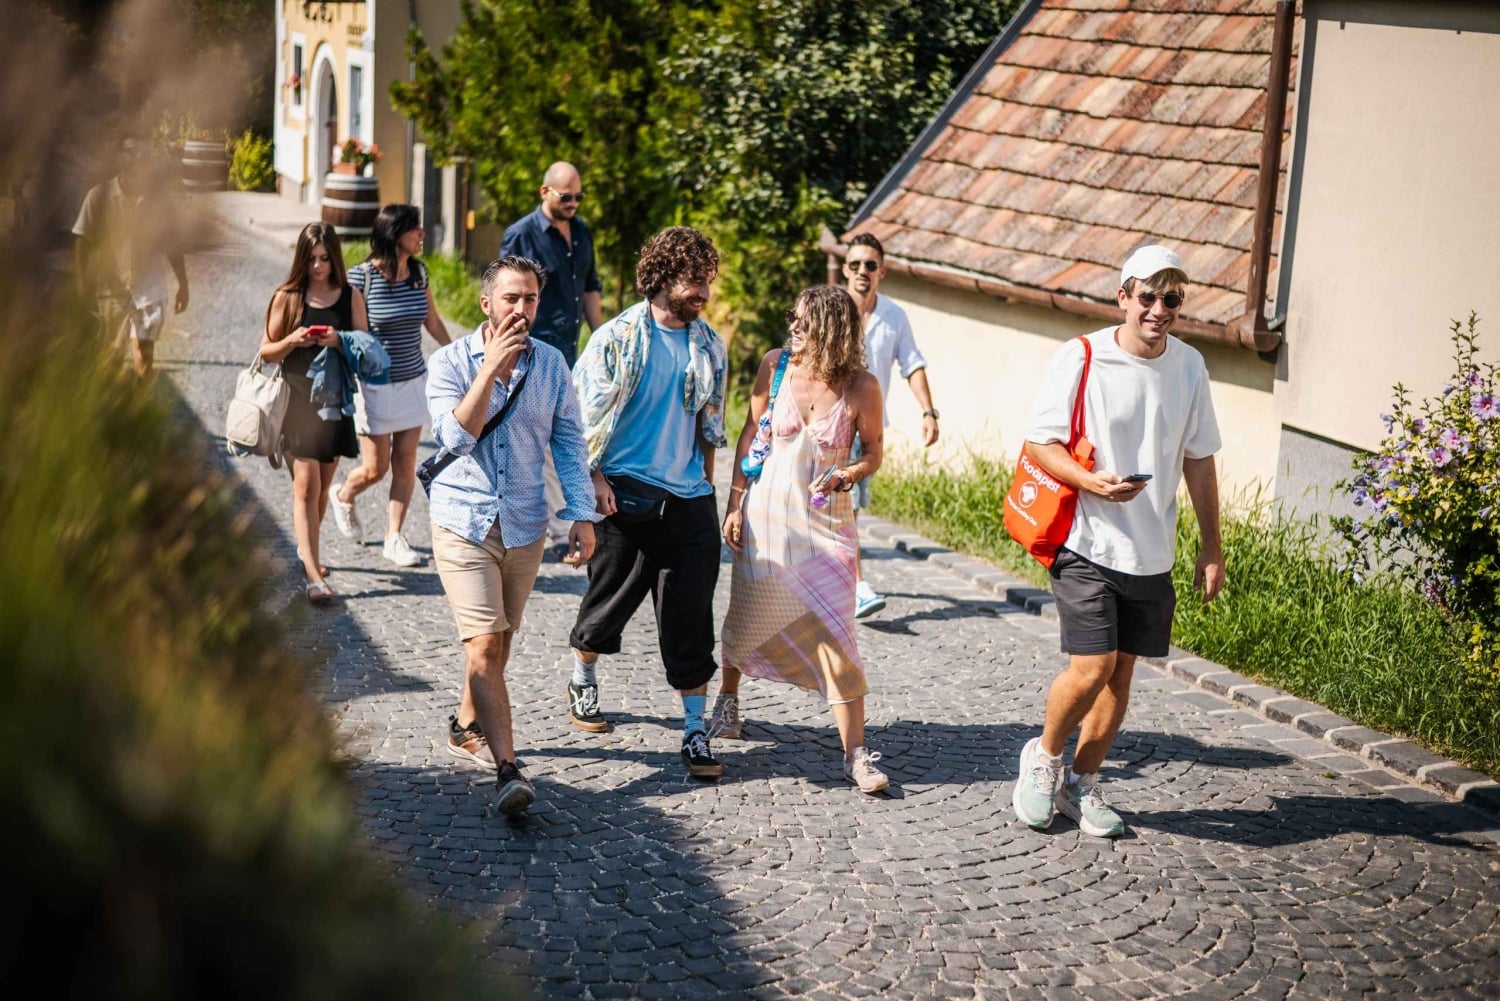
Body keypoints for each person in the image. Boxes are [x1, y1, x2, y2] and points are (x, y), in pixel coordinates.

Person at [1010, 244, 1224, 839]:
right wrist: (1091, 483)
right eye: (1147, 296)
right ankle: (1044, 759)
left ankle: (1082, 782)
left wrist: (1212, 547)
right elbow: (1040, 443)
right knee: (1093, 665)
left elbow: (1199, 460)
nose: (1159, 309)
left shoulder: (1190, 366)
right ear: (1123, 296)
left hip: (1151, 550)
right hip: (1085, 538)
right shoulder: (1081, 357)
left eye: (1171, 299)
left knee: (1121, 677)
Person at [425, 256, 599, 817]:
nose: (521, 310)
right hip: (463, 520)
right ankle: (508, 770)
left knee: (497, 644)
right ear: (486, 305)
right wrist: (489, 373)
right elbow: (455, 435)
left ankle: (463, 725)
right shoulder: (450, 362)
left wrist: (581, 513)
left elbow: (570, 443)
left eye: (530, 300)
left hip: (523, 524)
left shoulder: (551, 366)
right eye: (510, 299)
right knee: (482, 643)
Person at [567, 226, 729, 779]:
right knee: (607, 607)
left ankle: (693, 731)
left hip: (688, 501)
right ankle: (583, 674)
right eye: (692, 281)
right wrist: (593, 481)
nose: (702, 293)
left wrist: (708, 492)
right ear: (661, 278)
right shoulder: (615, 339)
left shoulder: (710, 345)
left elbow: (710, 425)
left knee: (691, 621)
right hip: (624, 499)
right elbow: (580, 422)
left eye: (707, 282)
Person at [714, 286, 890, 793]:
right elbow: (750, 434)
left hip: (827, 526)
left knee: (838, 633)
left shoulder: (862, 388)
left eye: (802, 320)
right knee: (746, 614)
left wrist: (848, 475)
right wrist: (734, 503)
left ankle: (856, 753)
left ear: (831, 329)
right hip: (768, 519)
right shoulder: (775, 367)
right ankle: (728, 702)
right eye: (791, 316)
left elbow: (874, 452)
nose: (791, 325)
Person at [332, 204, 451, 567]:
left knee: (406, 463)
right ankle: (345, 492)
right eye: (415, 228)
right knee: (376, 468)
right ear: (394, 233)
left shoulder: (420, 274)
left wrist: (459, 354)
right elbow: (355, 336)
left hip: (413, 381)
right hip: (375, 386)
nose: (422, 234)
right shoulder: (361, 278)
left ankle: (394, 537)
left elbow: (431, 320)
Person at [500, 162, 604, 559]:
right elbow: (505, 293)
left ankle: (555, 523)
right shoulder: (521, 235)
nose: (574, 203)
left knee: (565, 432)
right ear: (545, 192)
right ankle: (555, 527)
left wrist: (600, 337)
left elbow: (590, 287)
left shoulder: (581, 232)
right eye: (566, 197)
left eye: (579, 196)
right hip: (533, 349)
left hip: (571, 352)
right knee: (539, 436)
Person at [259, 222, 366, 605]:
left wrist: (339, 340)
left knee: (321, 488)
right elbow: (267, 351)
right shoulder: (287, 296)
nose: (318, 267)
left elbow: (365, 346)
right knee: (306, 486)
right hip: (297, 403)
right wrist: (293, 339)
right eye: (310, 259)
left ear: (333, 257)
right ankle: (312, 577)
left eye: (324, 259)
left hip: (335, 402)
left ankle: (309, 555)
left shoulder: (349, 295)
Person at [841, 233, 938, 619]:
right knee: (845, 507)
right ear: (845, 270)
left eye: (869, 265)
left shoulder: (894, 316)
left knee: (850, 509)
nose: (862, 271)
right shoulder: (831, 308)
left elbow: (912, 363)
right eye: (854, 264)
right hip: (830, 425)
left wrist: (929, 412)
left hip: (870, 430)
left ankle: (835, 580)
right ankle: (859, 586)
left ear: (881, 270)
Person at [72, 137, 190, 378]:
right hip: (110, 291)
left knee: (144, 355)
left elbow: (172, 244)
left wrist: (183, 283)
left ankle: (140, 401)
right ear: (119, 157)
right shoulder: (98, 197)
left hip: (149, 288)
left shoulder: (159, 200)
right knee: (109, 357)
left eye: (143, 153)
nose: (137, 158)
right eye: (131, 152)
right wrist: (82, 288)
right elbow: (82, 244)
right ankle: (113, 411)